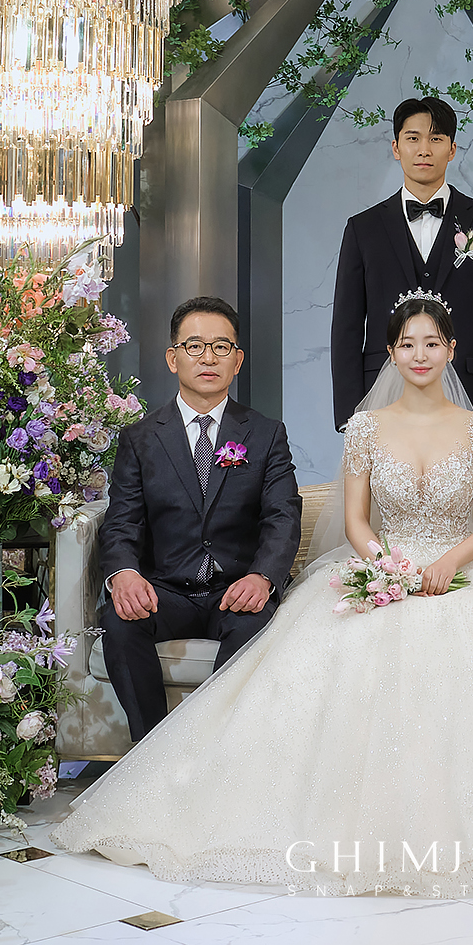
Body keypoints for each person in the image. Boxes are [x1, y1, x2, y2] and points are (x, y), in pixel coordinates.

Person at [51, 296, 473, 894]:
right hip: (384, 568)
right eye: (408, 344)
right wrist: (386, 568)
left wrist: (449, 562)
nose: (420, 354)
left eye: (433, 343)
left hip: (467, 572)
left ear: (451, 350)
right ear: (392, 353)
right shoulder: (365, 429)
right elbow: (355, 521)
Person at [94, 296, 301, 740]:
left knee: (258, 626)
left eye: (221, 347)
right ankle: (152, 750)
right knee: (119, 619)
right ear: (173, 358)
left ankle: (215, 752)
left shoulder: (266, 434)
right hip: (165, 590)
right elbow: (122, 520)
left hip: (235, 589)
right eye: (194, 346)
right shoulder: (140, 439)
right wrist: (124, 573)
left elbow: (282, 516)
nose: (208, 358)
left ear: (237, 361)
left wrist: (263, 576)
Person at [330, 96, 473, 434]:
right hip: (381, 398)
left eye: (436, 138)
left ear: (452, 149)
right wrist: (349, 416)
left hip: (469, 396)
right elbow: (347, 327)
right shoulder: (363, 229)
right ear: (396, 147)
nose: (424, 150)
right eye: (413, 138)